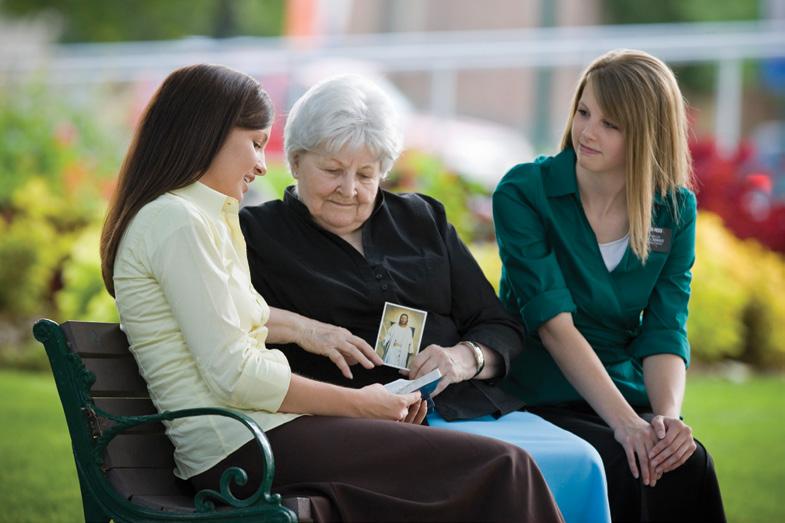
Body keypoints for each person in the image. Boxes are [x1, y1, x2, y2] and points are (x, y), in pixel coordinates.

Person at [99, 63, 563, 523]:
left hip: (257, 436)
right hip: (242, 447)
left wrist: (305, 330)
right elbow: (235, 375)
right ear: (209, 135)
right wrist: (365, 404)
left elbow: (238, 317)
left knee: (481, 477)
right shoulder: (179, 222)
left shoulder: (195, 218)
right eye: (257, 144)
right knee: (505, 467)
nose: (263, 164)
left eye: (366, 174)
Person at [240, 74, 610, 523]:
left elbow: (501, 327)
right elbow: (240, 326)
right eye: (333, 170)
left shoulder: (421, 218)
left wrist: (463, 358)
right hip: (360, 426)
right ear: (296, 162)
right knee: (502, 469)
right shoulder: (257, 235)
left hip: (467, 409)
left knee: (583, 459)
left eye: (366, 174)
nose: (350, 189)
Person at [492, 49, 726, 522]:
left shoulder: (674, 209)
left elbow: (665, 327)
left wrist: (665, 421)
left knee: (686, 461)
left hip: (621, 390)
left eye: (611, 123)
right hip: (536, 390)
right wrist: (626, 426)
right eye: (583, 112)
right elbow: (554, 326)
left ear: (646, 134)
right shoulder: (523, 192)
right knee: (625, 461)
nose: (587, 131)